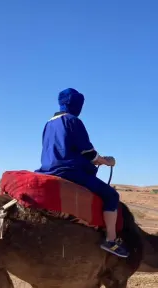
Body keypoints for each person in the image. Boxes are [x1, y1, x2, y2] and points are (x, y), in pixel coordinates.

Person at [36, 88, 128, 258]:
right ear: (75, 104)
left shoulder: (48, 124)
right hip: (69, 171)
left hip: (48, 169)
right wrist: (106, 161)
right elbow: (89, 153)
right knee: (111, 196)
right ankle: (111, 240)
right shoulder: (72, 121)